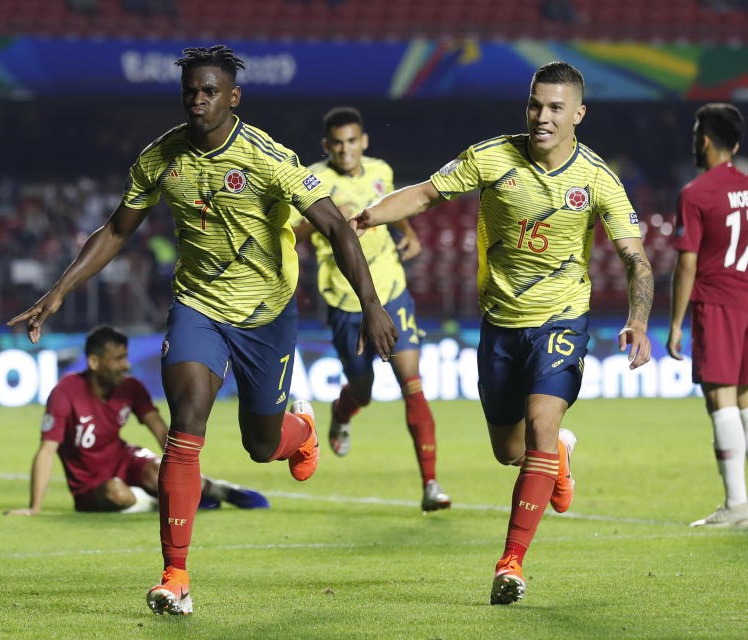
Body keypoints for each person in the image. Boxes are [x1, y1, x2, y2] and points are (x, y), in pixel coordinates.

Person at [7, 45, 397, 616]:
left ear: (232, 97)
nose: (198, 100)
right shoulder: (160, 157)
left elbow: (335, 224)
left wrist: (372, 303)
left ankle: (302, 430)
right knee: (186, 424)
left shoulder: (266, 156)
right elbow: (117, 228)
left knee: (262, 444)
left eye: (210, 91)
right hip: (197, 308)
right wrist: (58, 291)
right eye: (190, 91)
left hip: (267, 314)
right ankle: (175, 574)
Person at [352, 61, 653, 605]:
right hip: (500, 323)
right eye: (536, 104)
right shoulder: (491, 157)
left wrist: (638, 318)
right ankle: (556, 456)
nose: (542, 116)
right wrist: (368, 217)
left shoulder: (597, 179)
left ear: (578, 114)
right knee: (509, 449)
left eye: (556, 107)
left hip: (561, 319)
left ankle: (510, 563)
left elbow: (635, 259)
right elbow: (424, 194)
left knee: (540, 423)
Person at [290, 106, 450, 511]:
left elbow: (395, 207)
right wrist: (327, 221)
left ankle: (431, 484)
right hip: (346, 300)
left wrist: (409, 232)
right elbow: (291, 230)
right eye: (337, 144)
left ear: (364, 141)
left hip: (391, 290)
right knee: (362, 389)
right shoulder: (312, 179)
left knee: (411, 383)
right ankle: (343, 414)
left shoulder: (381, 170)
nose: (345, 150)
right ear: (327, 146)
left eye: (352, 141)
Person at [4, 325, 270, 516]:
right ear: (94, 362)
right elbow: (47, 450)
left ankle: (221, 490)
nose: (126, 365)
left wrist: (181, 470)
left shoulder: (130, 388)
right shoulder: (65, 392)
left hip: (126, 460)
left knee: (158, 470)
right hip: (91, 485)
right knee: (116, 493)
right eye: (118, 359)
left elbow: (158, 428)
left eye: (126, 356)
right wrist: (34, 507)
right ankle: (159, 504)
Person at [667, 103, 748, 528]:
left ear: (703, 140)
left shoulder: (695, 193)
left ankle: (737, 505)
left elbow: (686, 264)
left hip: (717, 303)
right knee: (746, 400)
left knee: (721, 400)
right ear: (734, 144)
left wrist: (676, 323)